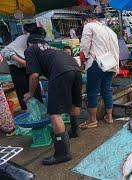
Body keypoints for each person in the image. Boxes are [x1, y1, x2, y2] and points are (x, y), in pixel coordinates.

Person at [23, 34, 82, 165]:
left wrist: (30, 93)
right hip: (76, 69)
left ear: (29, 44)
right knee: (74, 102)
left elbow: (34, 74)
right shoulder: (52, 48)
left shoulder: (30, 49)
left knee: (54, 113)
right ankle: (75, 130)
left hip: (60, 71)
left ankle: (63, 153)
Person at [80, 13, 119, 128]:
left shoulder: (89, 26)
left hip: (97, 63)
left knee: (93, 91)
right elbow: (116, 50)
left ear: (86, 20)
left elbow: (84, 46)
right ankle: (109, 117)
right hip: (110, 64)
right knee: (106, 90)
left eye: (83, 23)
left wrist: (82, 61)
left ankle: (92, 120)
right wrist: (116, 67)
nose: (83, 25)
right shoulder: (109, 30)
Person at [0, 27, 45, 111]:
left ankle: (40, 109)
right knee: (22, 90)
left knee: (35, 88)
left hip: (29, 64)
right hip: (16, 66)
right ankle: (27, 111)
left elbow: (36, 75)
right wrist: (22, 62)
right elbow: (4, 51)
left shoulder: (40, 42)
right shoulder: (22, 39)